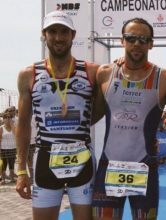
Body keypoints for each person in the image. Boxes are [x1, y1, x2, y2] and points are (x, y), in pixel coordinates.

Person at [91, 18, 166, 220]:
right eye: (131, 38)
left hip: (145, 168)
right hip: (109, 167)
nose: (136, 43)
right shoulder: (106, 73)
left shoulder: (164, 78)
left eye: (143, 39)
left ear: (151, 43)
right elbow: (91, 117)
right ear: (121, 40)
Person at [15, 10, 100, 220]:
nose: (58, 37)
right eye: (52, 31)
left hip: (82, 157)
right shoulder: (29, 74)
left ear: (73, 34)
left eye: (64, 31)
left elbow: (105, 107)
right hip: (45, 157)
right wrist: (21, 170)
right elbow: (23, 124)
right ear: (44, 34)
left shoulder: (92, 71)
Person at [0, 113, 17, 184]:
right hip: (3, 148)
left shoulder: (14, 127)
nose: (7, 119)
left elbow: (16, 135)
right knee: (4, 164)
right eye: (6, 117)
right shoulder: (1, 128)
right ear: (3, 119)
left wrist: (12, 125)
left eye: (9, 117)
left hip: (13, 147)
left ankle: (12, 178)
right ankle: (3, 179)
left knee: (12, 163)